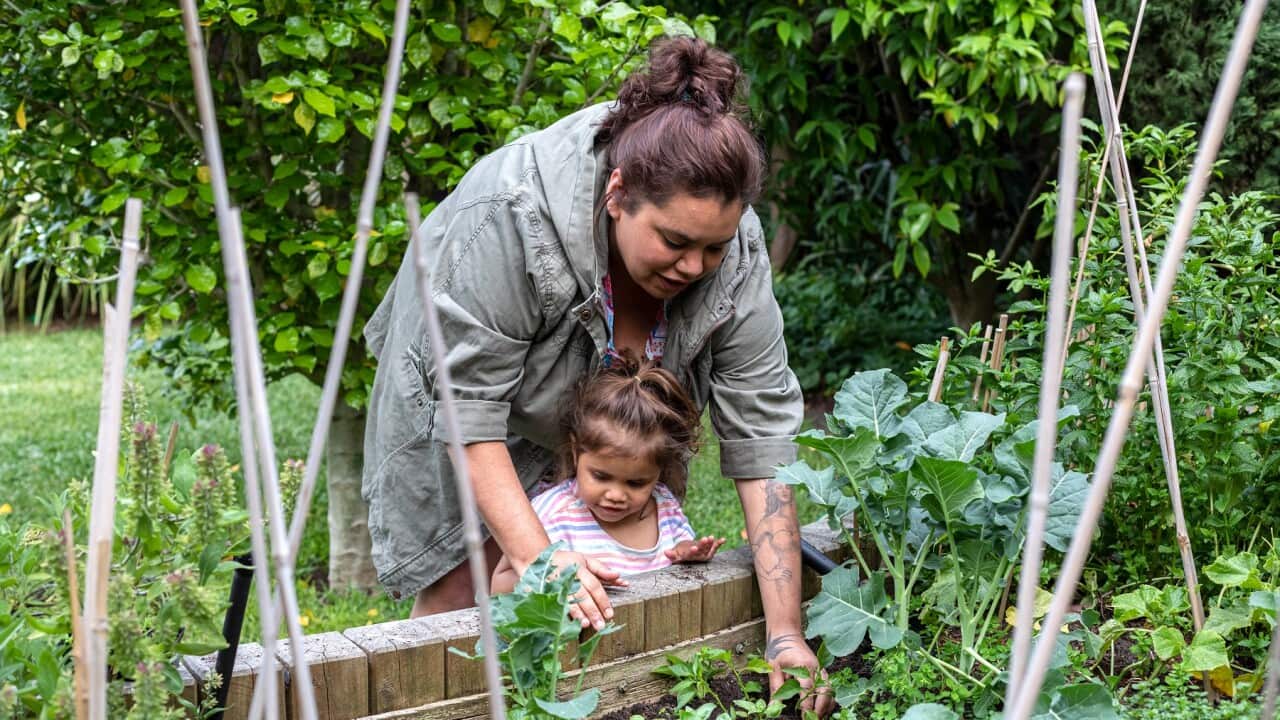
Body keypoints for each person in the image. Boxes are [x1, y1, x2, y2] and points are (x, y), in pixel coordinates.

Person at [362, 35, 831, 714]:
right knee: (467, 582)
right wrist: (538, 557)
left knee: (618, 557)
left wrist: (786, 632)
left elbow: (764, 444)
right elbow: (468, 414)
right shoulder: (510, 215)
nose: (695, 267)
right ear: (618, 194)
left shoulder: (739, 246)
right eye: (674, 242)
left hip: (616, 398)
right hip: (470, 386)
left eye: (714, 248)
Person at [491, 356, 726, 593]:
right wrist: (553, 579)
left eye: (636, 483)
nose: (615, 494)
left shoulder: (663, 505)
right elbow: (499, 587)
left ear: (659, 472)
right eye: (601, 476)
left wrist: (687, 552)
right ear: (576, 452)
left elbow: (678, 547)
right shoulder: (554, 512)